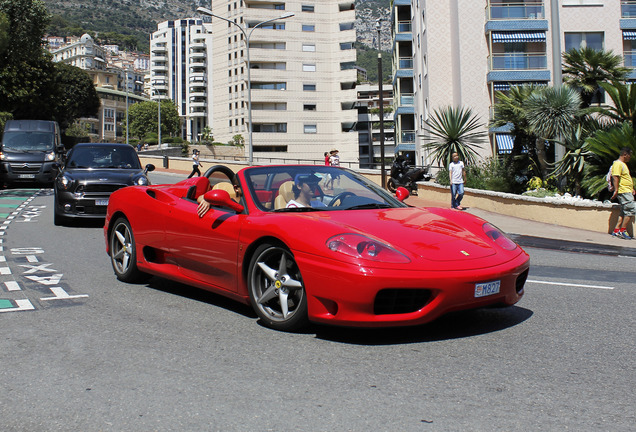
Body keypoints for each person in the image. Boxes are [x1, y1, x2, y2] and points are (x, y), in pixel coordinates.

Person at [611, 147, 635, 239]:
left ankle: (616, 230)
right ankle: (623, 231)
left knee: (624, 211)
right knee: (631, 210)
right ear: (625, 155)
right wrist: (616, 190)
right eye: (630, 155)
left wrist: (631, 188)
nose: (630, 157)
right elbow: (615, 177)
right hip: (624, 191)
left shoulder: (622, 164)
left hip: (627, 190)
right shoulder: (618, 164)